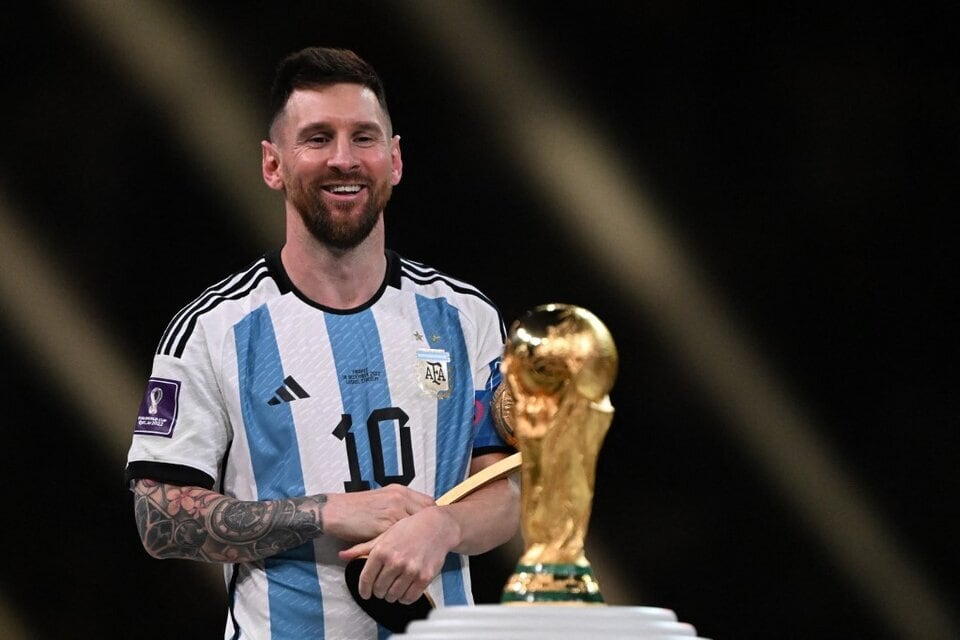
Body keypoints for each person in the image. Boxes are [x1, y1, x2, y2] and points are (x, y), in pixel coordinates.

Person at [125, 46, 519, 639]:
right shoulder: (212, 330)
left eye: (363, 137)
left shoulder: (466, 316)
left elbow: (503, 494)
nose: (343, 159)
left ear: (395, 160)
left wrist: (444, 527)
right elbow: (157, 519)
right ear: (272, 165)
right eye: (316, 138)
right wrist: (327, 512)